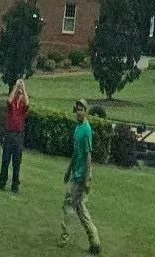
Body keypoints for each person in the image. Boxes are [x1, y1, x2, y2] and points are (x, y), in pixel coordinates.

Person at [60, 99, 101, 253]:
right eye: (77, 109)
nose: (78, 112)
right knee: (79, 208)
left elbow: (88, 156)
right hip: (76, 173)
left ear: (86, 111)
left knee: (71, 205)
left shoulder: (86, 130)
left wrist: (87, 179)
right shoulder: (78, 128)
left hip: (82, 176)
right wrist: (68, 171)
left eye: (81, 109)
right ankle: (94, 242)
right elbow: (76, 153)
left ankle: (65, 237)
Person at [0, 73, 29, 193]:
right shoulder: (12, 104)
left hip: (18, 135)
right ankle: (2, 182)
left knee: (17, 162)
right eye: (19, 93)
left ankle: (15, 185)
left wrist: (24, 88)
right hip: (9, 134)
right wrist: (16, 86)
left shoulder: (23, 106)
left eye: (21, 93)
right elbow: (9, 100)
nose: (20, 94)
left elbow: (27, 103)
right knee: (5, 160)